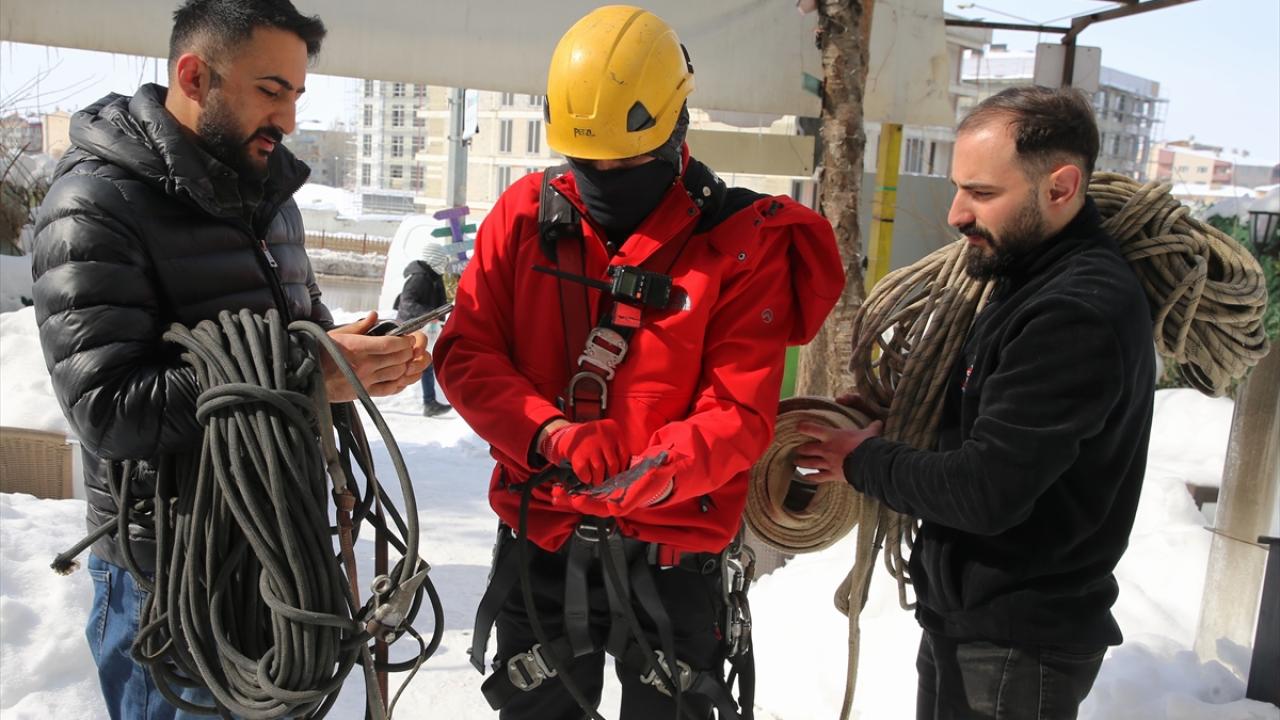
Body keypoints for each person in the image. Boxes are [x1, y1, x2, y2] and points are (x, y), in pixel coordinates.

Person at [433, 6, 844, 719]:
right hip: (544, 549)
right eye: (586, 162)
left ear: (677, 125)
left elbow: (739, 414)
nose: (604, 177)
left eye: (627, 160)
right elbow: (467, 353)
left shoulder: (741, 245)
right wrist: (549, 435)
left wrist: (641, 474)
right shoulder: (524, 219)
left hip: (674, 565)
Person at [29, 1, 428, 717]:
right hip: (171, 581)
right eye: (271, 91)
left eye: (298, 95)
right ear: (194, 76)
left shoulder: (271, 199)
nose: (290, 119)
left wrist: (358, 355)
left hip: (277, 557)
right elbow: (109, 409)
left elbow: (297, 337)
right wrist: (308, 374)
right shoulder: (93, 205)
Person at [794, 86, 1156, 720]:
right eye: (960, 188)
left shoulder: (1073, 312)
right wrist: (901, 425)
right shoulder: (1024, 280)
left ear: (1061, 187)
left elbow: (988, 489)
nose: (957, 214)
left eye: (983, 194)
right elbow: (992, 434)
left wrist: (866, 459)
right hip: (978, 624)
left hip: (1018, 643)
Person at [395, 246, 452, 417]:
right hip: (411, 326)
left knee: (425, 363)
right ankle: (429, 403)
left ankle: (430, 403)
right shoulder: (419, 278)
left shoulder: (433, 277)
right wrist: (431, 314)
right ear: (434, 258)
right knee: (405, 362)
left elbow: (438, 302)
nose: (445, 263)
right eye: (443, 259)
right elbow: (406, 303)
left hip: (425, 326)